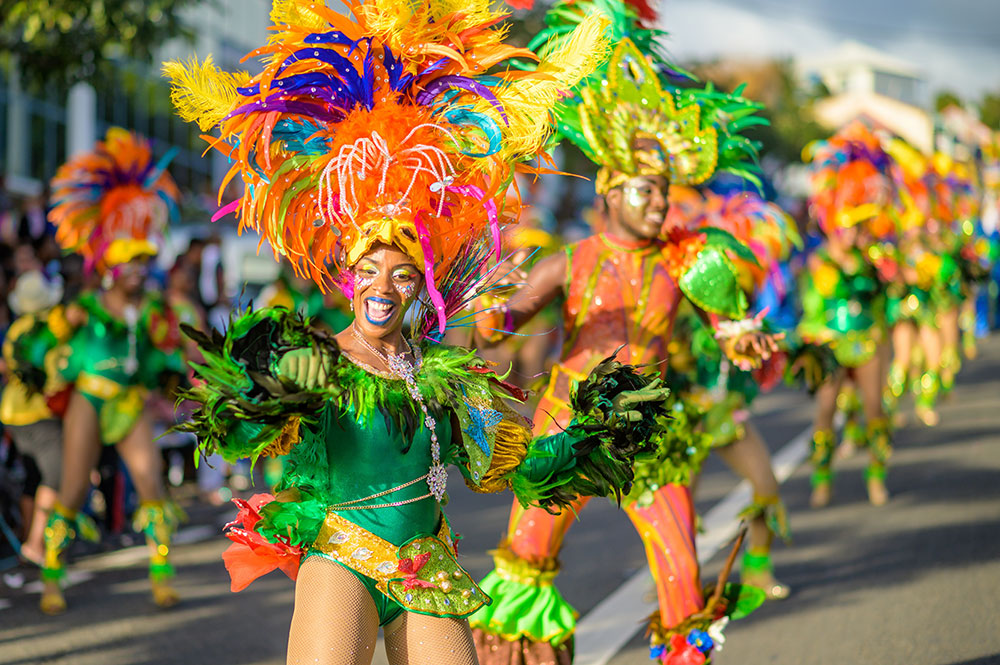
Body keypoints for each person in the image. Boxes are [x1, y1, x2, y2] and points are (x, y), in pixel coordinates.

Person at [165, 4, 672, 664]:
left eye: (402, 273)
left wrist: (593, 438)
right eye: (370, 269)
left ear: (420, 286)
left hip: (426, 564)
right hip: (342, 554)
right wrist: (257, 378)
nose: (383, 285)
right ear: (349, 277)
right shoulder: (318, 361)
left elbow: (511, 470)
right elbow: (239, 426)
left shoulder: (445, 376)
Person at [468, 2, 779, 661]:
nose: (661, 203)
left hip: (646, 429)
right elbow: (498, 327)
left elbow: (729, 324)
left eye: (664, 191)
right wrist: (486, 301)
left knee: (680, 571)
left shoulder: (684, 260)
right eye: (646, 190)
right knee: (525, 556)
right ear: (608, 192)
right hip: (566, 427)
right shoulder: (569, 261)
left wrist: (744, 337)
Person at [39, 128, 187, 614]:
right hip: (89, 399)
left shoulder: (152, 313)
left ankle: (161, 577)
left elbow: (164, 360)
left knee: (152, 487)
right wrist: (55, 356)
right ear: (109, 265)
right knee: (74, 489)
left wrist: (171, 374)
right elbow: (42, 348)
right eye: (132, 262)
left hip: (128, 403)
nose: (141, 270)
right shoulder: (83, 309)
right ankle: (52, 577)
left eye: (146, 260)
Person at [799, 121, 894, 509]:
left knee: (874, 407)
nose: (854, 231)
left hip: (868, 339)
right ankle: (822, 478)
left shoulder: (874, 259)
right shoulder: (819, 261)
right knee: (825, 411)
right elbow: (810, 308)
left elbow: (885, 299)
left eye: (860, 222)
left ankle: (876, 477)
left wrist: (881, 266)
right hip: (831, 343)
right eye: (847, 223)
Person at [0, 270, 68, 566]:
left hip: (12, 413)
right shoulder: (46, 332)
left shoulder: (16, 330)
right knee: (55, 477)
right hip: (39, 414)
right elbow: (55, 376)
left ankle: (31, 540)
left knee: (33, 477)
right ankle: (36, 541)